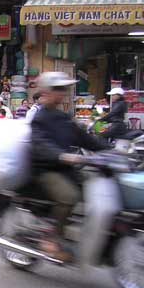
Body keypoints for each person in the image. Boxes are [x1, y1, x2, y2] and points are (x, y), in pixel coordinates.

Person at [31, 72, 107, 261]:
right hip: (46, 169)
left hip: (65, 168)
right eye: (58, 89)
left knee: (94, 189)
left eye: (63, 89)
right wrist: (62, 155)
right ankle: (51, 237)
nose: (62, 93)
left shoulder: (63, 117)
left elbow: (86, 139)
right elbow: (40, 144)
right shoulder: (39, 118)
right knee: (69, 197)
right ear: (47, 91)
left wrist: (113, 150)